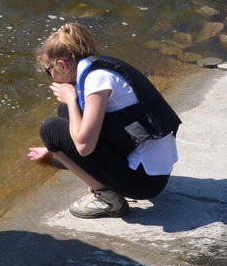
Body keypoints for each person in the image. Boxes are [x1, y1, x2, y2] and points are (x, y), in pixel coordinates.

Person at [27, 23, 181, 218]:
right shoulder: (99, 68)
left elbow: (84, 147)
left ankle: (108, 200)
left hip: (145, 182)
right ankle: (67, 157)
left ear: (62, 65)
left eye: (48, 71)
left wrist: (72, 100)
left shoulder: (96, 82)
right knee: (65, 110)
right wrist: (53, 150)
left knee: (51, 129)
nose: (51, 78)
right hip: (154, 170)